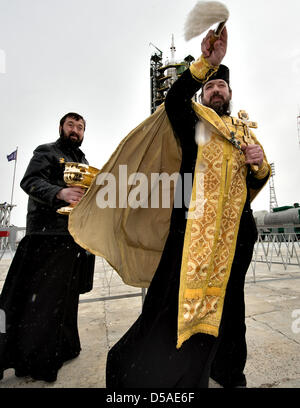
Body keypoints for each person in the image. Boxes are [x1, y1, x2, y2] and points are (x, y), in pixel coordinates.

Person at [103, 27, 270, 388]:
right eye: (209, 86)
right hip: (191, 233)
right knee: (173, 304)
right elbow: (173, 101)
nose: (215, 90)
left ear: (229, 93)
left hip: (236, 236)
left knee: (231, 308)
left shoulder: (245, 132)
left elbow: (251, 184)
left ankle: (227, 371)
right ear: (203, 92)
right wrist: (206, 64)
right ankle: (156, 373)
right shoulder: (192, 120)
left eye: (220, 86)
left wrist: (258, 164)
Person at [0, 112, 95, 383]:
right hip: (45, 237)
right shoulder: (47, 152)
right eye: (71, 125)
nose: (75, 130)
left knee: (64, 300)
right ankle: (35, 359)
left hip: (71, 239)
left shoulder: (84, 162)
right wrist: (59, 193)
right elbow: (29, 181)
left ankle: (63, 348)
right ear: (61, 128)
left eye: (80, 127)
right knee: (41, 303)